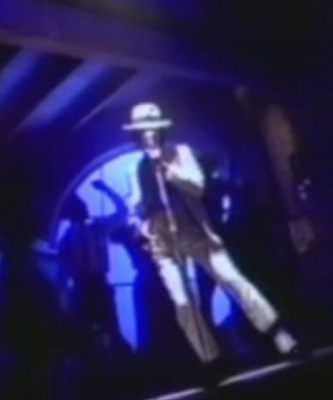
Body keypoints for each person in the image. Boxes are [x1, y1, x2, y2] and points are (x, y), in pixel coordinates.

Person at [122, 102, 304, 378]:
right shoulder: (136, 168)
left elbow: (197, 186)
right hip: (163, 242)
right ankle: (210, 360)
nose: (149, 135)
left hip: (195, 232)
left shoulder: (180, 153)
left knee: (233, 280)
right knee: (183, 302)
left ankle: (280, 336)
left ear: (161, 130)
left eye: (152, 129)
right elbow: (135, 205)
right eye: (142, 131)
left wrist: (168, 170)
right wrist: (138, 222)